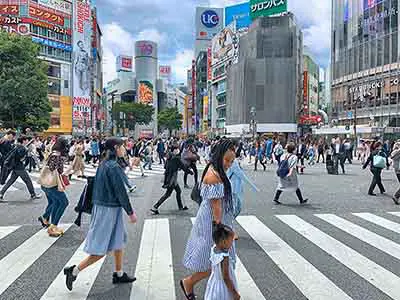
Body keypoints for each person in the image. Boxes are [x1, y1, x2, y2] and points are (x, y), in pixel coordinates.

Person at [63, 138, 137, 291]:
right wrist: (130, 212)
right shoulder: (113, 166)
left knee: (118, 241)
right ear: (116, 148)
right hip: (107, 209)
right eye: (123, 146)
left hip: (105, 206)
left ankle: (119, 273)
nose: (124, 149)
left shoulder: (104, 163)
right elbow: (120, 191)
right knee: (100, 248)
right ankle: (74, 270)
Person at [180, 139, 236, 300]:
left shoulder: (213, 169)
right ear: (219, 156)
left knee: (216, 262)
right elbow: (216, 207)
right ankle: (189, 283)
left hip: (211, 221)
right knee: (215, 262)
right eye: (227, 160)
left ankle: (219, 292)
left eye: (232, 161)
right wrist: (220, 231)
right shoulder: (214, 176)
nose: (229, 164)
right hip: (212, 223)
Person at [38, 138, 69, 237]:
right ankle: (53, 226)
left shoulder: (52, 153)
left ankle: (50, 223)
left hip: (45, 184)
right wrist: (62, 165)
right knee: (64, 202)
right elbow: (54, 169)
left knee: (56, 202)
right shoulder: (57, 156)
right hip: (52, 184)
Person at [150, 146, 191, 214]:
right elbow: (183, 167)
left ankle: (181, 206)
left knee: (178, 191)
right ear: (173, 150)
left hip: (169, 178)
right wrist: (190, 172)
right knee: (167, 194)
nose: (177, 150)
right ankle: (155, 207)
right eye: (176, 149)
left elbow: (165, 167)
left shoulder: (169, 157)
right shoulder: (176, 158)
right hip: (172, 179)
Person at [204, 224, 240, 300]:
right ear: (223, 242)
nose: (232, 242)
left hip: (214, 281)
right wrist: (234, 292)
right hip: (223, 286)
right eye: (231, 240)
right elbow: (226, 277)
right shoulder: (224, 257)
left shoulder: (214, 248)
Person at [0, 135, 41, 201]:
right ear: (24, 141)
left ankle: (1, 194)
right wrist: (26, 151)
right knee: (28, 181)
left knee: (10, 181)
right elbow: (20, 158)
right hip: (19, 167)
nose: (27, 141)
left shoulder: (17, 146)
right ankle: (33, 194)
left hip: (15, 167)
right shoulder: (21, 148)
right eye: (26, 140)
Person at [227, 151, 259, 218]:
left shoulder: (228, 160)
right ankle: (229, 220)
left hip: (231, 185)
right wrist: (254, 187)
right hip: (234, 186)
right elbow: (241, 175)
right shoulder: (233, 162)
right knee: (236, 206)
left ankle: (229, 220)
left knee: (233, 206)